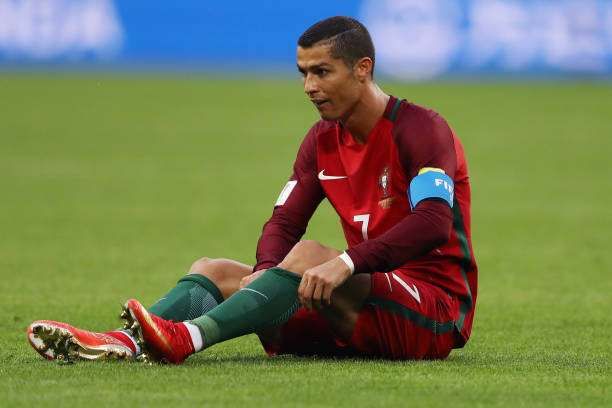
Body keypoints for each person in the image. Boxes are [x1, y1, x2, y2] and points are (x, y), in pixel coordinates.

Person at [27, 16, 477, 363]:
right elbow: (284, 220)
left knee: (309, 256)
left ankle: (186, 339)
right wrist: (264, 271)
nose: (309, 87)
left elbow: (434, 222)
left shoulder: (420, 130)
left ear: (363, 69)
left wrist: (344, 262)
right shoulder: (323, 141)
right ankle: (123, 342)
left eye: (322, 72)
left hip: (430, 313)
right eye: (303, 73)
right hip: (360, 313)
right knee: (217, 269)